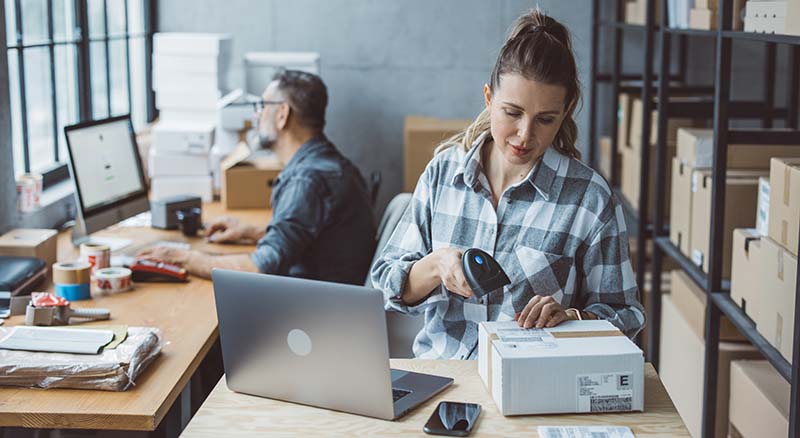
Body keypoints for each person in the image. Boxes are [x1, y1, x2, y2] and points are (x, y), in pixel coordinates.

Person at [371, 10, 645, 360]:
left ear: (566, 112)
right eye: (512, 113)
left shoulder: (589, 199)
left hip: (531, 382)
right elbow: (386, 285)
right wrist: (436, 265)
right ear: (489, 99)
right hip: (443, 376)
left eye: (545, 119)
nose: (525, 135)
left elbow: (626, 316)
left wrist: (574, 319)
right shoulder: (443, 173)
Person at [139, 70, 377, 285]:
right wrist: (250, 232)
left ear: (282, 114)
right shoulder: (328, 164)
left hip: (312, 308)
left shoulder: (307, 180)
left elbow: (260, 269)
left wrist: (184, 257)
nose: (257, 115)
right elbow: (313, 237)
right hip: (330, 294)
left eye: (262, 105)